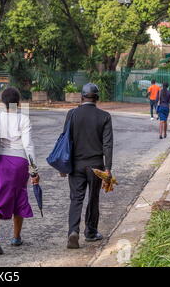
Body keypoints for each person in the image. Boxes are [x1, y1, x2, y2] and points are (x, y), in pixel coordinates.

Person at [0, 87, 40, 255]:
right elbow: (28, 145)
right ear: (19, 102)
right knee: (19, 195)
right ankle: (16, 237)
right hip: (19, 163)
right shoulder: (23, 119)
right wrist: (34, 170)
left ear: (3, 102)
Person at [61, 83, 113, 249]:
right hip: (96, 165)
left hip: (76, 164)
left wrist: (63, 166)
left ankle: (72, 231)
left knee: (76, 198)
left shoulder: (72, 114)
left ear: (81, 97)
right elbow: (107, 145)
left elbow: (65, 141)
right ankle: (90, 232)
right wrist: (108, 168)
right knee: (93, 198)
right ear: (97, 98)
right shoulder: (104, 116)